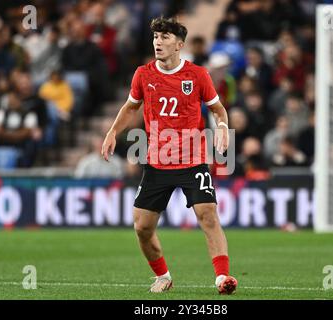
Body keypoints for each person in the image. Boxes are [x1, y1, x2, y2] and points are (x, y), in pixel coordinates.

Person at [101, 17, 237, 295]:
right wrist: (112, 132)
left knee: (207, 214)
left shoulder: (198, 75)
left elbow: (218, 109)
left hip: (193, 159)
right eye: (155, 38)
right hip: (157, 162)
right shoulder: (143, 74)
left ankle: (223, 278)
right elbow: (130, 107)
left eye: (164, 38)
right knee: (142, 227)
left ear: (179, 44)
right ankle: (163, 276)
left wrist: (223, 127)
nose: (158, 43)